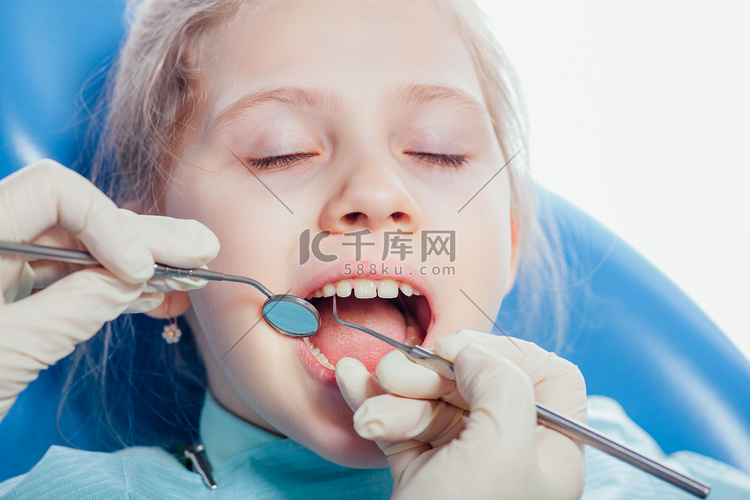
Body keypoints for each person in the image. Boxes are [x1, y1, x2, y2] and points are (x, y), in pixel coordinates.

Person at [1, 0, 749, 498]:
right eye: (279, 153)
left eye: (438, 151)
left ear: (509, 246)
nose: (376, 190)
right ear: (155, 260)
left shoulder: (619, 459)